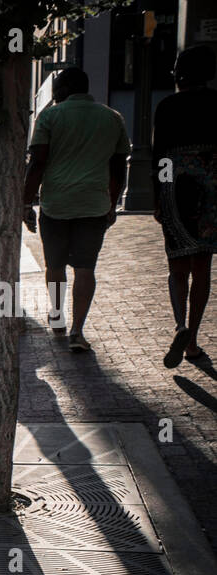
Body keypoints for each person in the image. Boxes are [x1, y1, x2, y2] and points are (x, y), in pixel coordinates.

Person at [22, 67, 131, 352]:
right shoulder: (112, 118)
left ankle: (57, 315)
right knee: (86, 269)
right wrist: (112, 202)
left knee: (55, 266)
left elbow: (38, 163)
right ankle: (77, 331)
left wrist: (26, 202)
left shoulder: (49, 117)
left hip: (56, 203)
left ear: (61, 90)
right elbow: (119, 169)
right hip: (94, 205)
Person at [156, 46, 217, 368]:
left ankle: (179, 324)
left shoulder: (168, 107)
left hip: (175, 190)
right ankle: (192, 340)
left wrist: (159, 198)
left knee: (177, 267)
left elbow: (160, 157)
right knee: (202, 269)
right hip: (210, 194)